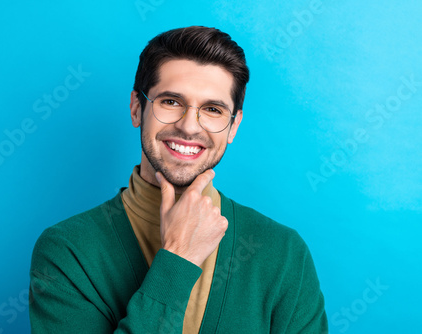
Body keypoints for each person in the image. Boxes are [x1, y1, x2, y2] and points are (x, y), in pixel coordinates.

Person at [29, 26, 328, 333]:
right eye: (171, 102)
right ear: (137, 108)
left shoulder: (283, 252)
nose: (189, 127)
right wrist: (178, 259)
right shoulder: (68, 250)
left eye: (212, 109)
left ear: (233, 126)